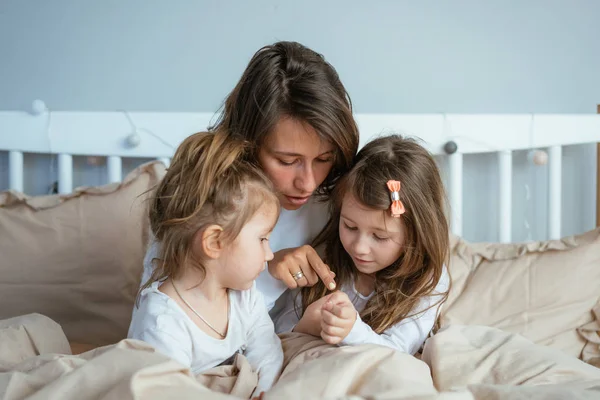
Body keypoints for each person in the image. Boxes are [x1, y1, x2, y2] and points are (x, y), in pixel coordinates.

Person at [141, 41, 360, 311]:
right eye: (287, 161)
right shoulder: (201, 193)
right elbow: (158, 311)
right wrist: (269, 274)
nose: (308, 183)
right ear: (249, 143)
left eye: (324, 159)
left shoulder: (343, 203)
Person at [129, 130, 283, 395]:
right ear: (214, 242)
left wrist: (267, 392)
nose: (270, 254)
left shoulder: (244, 298)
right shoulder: (163, 322)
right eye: (262, 240)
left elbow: (267, 353)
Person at [272, 134, 451, 355]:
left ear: (417, 233)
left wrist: (351, 331)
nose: (359, 247)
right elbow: (277, 331)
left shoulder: (428, 280)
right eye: (350, 226)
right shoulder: (324, 255)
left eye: (380, 237)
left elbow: (398, 352)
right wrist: (306, 324)